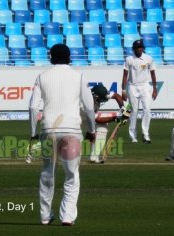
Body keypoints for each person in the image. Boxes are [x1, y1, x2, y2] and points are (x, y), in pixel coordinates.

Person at [29, 44, 96, 226]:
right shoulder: (79, 76)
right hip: (72, 130)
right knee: (71, 175)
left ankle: (45, 216)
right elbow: (89, 107)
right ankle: (67, 216)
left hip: (48, 129)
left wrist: (34, 133)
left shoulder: (42, 76)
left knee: (47, 173)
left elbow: (33, 107)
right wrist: (92, 130)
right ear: (69, 58)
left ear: (51, 58)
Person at [121, 40, 157, 143]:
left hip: (145, 86)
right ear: (133, 49)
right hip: (132, 86)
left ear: (143, 48)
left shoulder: (148, 58)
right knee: (134, 111)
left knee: (147, 110)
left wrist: (154, 89)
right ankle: (133, 136)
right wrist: (123, 90)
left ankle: (145, 134)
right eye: (137, 48)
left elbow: (153, 74)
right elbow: (125, 75)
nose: (139, 49)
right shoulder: (129, 59)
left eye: (140, 47)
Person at [89, 84, 131, 164]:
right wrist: (115, 118)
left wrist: (122, 108)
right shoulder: (88, 103)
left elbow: (116, 96)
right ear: (96, 96)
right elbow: (98, 119)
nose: (102, 100)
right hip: (77, 118)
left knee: (102, 128)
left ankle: (94, 157)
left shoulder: (102, 93)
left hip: (89, 117)